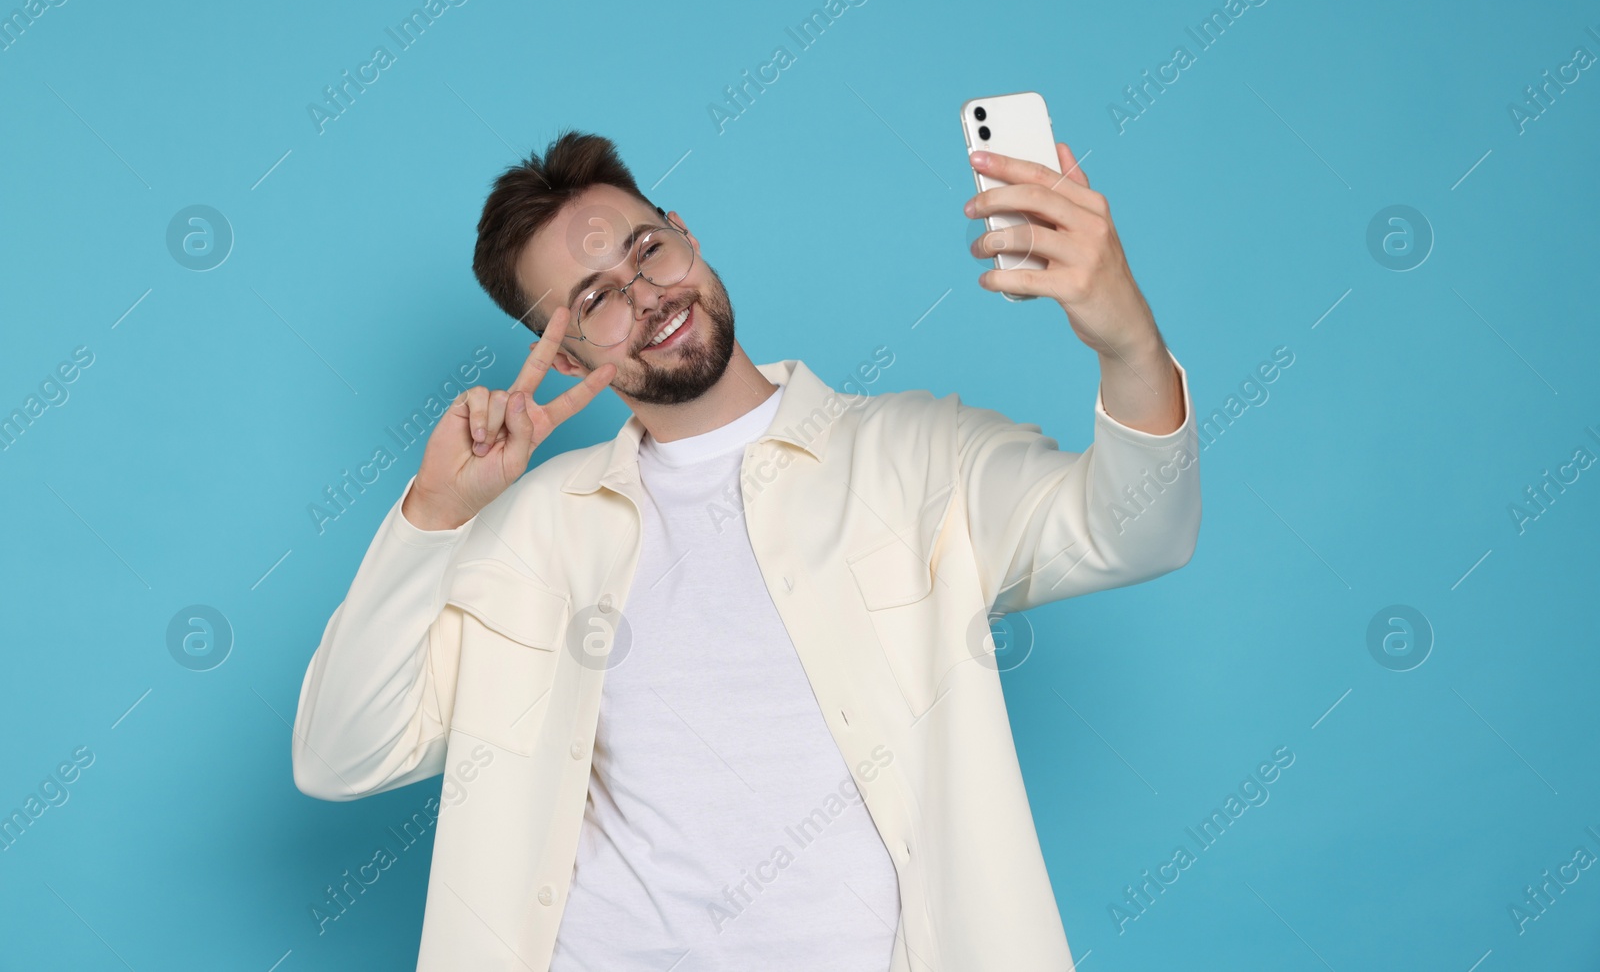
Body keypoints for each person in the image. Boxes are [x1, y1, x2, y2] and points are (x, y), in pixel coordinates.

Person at [291, 130, 1201, 971]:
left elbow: (1138, 529)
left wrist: (1125, 336)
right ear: (563, 356)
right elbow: (340, 756)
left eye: (648, 249)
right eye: (596, 299)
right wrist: (436, 513)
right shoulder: (532, 532)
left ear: (685, 233)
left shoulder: (920, 456)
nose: (647, 297)